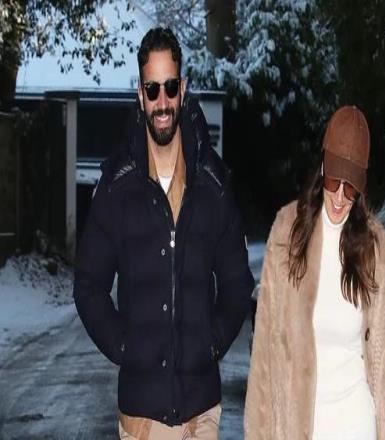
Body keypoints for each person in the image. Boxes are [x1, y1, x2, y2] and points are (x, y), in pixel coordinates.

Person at [74, 27, 254, 440]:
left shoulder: (212, 182)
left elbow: (237, 282)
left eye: (170, 87)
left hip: (202, 412)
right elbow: (88, 285)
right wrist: (124, 346)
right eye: (152, 89)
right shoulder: (117, 186)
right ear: (140, 94)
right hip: (143, 416)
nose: (162, 102)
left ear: (182, 89)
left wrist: (212, 342)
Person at [244, 106, 385, 439]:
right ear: (322, 168)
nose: (340, 197)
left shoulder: (375, 249)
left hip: (356, 424)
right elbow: (265, 354)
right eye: (334, 181)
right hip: (300, 427)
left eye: (350, 188)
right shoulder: (286, 234)